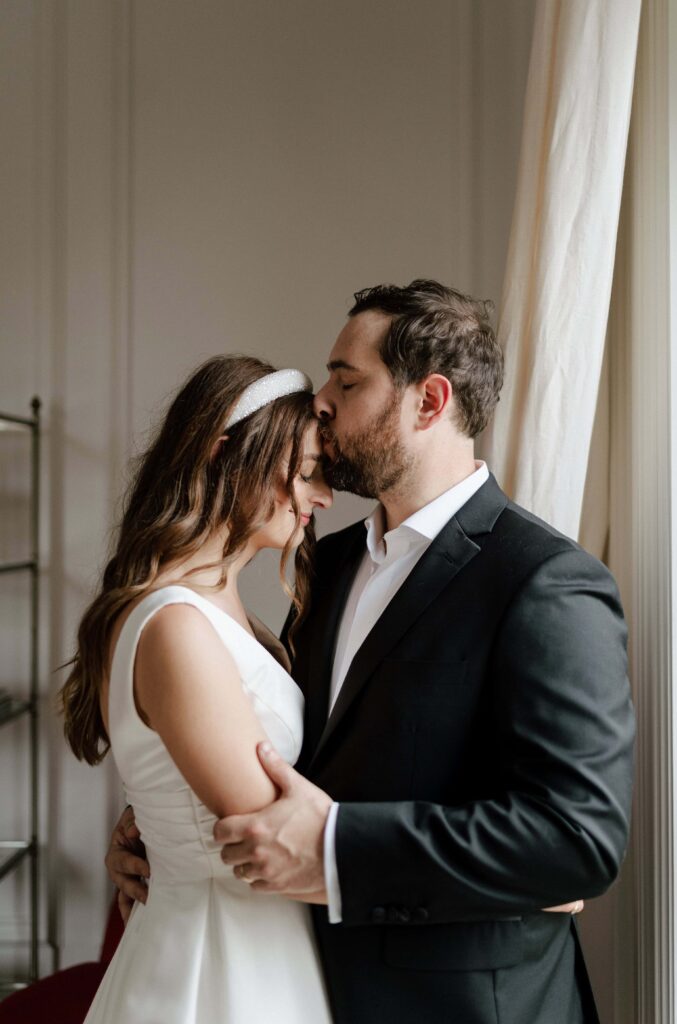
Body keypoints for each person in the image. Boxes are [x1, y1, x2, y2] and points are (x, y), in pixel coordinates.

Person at [108, 280, 635, 1024]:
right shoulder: (330, 568)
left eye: (346, 380)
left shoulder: (543, 581)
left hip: (463, 1007)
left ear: (427, 401)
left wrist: (337, 849)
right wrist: (161, 827)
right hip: (303, 985)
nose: (319, 400)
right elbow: (295, 752)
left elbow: (575, 840)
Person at [60, 355, 334, 1023]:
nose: (322, 496)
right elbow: (270, 833)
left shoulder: (232, 616)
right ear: (222, 455)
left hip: (270, 950)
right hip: (213, 968)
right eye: (302, 472)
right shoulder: (175, 627)